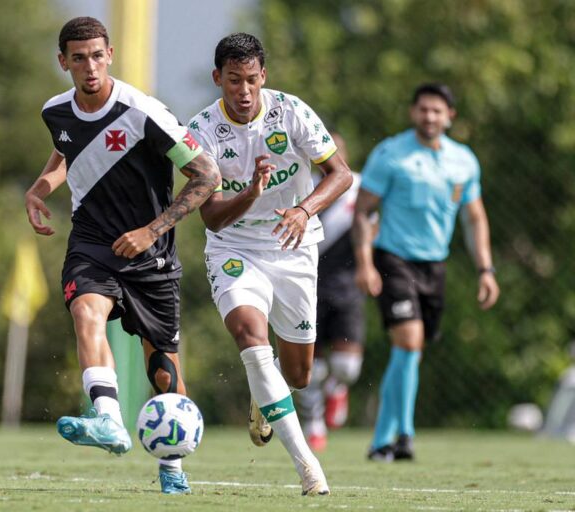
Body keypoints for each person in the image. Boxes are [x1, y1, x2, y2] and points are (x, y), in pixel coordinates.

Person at [23, 17, 220, 494]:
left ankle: (172, 465)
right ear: (62, 61)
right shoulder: (56, 111)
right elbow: (68, 151)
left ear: (109, 54)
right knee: (86, 311)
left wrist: (151, 231)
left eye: (96, 55)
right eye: (78, 58)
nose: (89, 67)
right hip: (91, 243)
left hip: (151, 255)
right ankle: (109, 420)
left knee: (163, 366)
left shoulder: (144, 112)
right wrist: (39, 189)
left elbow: (206, 175)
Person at [190, 33, 352, 495]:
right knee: (249, 335)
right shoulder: (200, 131)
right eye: (234, 81)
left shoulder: (291, 111)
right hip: (234, 248)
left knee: (298, 375)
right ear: (217, 78)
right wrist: (251, 194)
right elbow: (212, 215)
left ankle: (265, 399)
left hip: (293, 246)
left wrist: (304, 210)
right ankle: (308, 469)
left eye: (252, 80)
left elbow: (340, 174)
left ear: (264, 77)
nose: (244, 91)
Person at [352, 83, 500, 462]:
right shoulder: (391, 155)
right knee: (409, 342)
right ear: (412, 113)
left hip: (434, 264)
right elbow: (363, 211)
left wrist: (486, 269)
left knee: (410, 354)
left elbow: (475, 218)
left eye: (437, 111)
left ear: (450, 116)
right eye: (423, 110)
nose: (429, 117)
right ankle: (405, 435)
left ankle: (381, 441)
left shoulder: (463, 161)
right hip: (393, 258)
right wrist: (365, 261)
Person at [293, 133, 366, 452]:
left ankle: (337, 389)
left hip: (347, 284)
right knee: (310, 365)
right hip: (305, 282)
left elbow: (372, 225)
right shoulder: (299, 186)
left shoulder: (359, 187)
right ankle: (314, 424)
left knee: (346, 368)